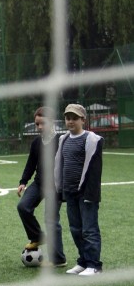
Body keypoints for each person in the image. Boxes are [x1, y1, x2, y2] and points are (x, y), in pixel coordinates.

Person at [54, 103, 104, 276]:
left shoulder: (92, 139)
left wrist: (91, 194)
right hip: (69, 192)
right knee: (75, 229)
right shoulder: (63, 139)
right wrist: (60, 190)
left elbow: (95, 170)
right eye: (68, 118)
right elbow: (60, 166)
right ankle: (83, 261)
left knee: (89, 229)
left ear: (83, 119)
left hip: (86, 193)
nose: (70, 121)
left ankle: (94, 265)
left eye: (74, 118)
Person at [17, 107, 66, 267]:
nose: (39, 127)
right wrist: (23, 182)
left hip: (55, 186)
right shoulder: (37, 142)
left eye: (42, 123)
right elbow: (31, 164)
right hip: (39, 183)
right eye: (37, 124)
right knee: (23, 206)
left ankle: (58, 259)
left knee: (51, 220)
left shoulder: (61, 140)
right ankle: (38, 237)